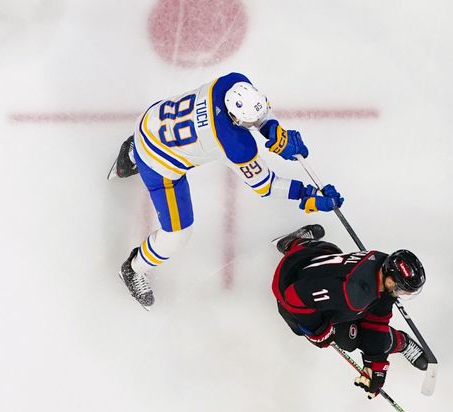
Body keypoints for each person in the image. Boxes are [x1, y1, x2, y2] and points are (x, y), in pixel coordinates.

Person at [111, 72, 344, 308]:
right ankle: (133, 268)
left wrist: (273, 130)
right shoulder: (234, 144)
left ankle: (132, 151)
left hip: (149, 122)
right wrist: (306, 194)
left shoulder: (231, 83)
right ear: (235, 118)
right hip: (157, 164)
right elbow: (265, 185)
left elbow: (257, 113)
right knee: (178, 234)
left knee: (164, 136)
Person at [272, 225, 429, 398]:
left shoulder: (380, 262)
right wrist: (319, 330)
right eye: (402, 290)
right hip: (287, 296)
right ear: (391, 281)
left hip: (301, 259)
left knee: (332, 252)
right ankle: (401, 342)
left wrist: (376, 365)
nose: (403, 294)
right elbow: (293, 297)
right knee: (349, 339)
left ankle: (293, 243)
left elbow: (378, 316)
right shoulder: (353, 294)